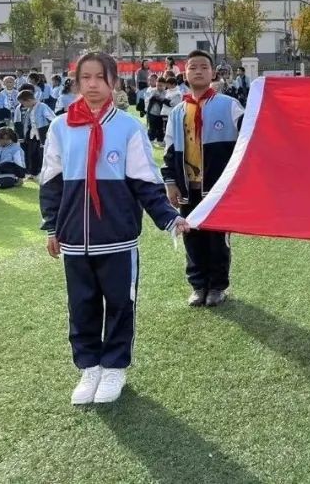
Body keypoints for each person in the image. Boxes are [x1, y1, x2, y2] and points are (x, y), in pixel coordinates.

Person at [40, 51, 189, 405]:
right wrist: (52, 227)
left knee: (120, 303)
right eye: (85, 78)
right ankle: (89, 366)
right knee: (82, 305)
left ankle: (114, 367)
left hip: (118, 239)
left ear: (114, 83)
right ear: (76, 82)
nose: (92, 85)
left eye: (100, 78)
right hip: (75, 238)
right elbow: (51, 181)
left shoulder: (127, 127)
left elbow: (145, 182)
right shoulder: (60, 127)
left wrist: (169, 217)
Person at [163, 50, 244, 308]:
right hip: (188, 188)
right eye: (192, 67)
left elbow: (248, 138)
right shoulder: (177, 112)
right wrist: (170, 183)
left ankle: (217, 286)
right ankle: (198, 286)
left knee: (217, 239)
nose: (198, 71)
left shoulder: (229, 105)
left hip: (218, 189)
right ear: (184, 73)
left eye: (203, 67)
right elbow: (168, 150)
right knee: (192, 236)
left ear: (212, 73)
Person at [19, 88, 56, 180]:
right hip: (33, 134)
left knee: (42, 154)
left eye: (23, 103)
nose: (23, 105)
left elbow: (53, 119)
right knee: (32, 154)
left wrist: (50, 132)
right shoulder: (29, 109)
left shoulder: (43, 106)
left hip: (43, 133)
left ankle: (44, 173)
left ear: (29, 100)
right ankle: (33, 173)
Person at [145, 80, 168, 146]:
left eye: (161, 86)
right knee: (152, 128)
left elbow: (166, 101)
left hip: (161, 114)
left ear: (165, 86)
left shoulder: (166, 92)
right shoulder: (153, 91)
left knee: (160, 128)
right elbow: (148, 99)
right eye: (157, 85)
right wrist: (154, 98)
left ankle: (160, 140)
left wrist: (161, 99)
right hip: (152, 113)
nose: (158, 87)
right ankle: (150, 140)